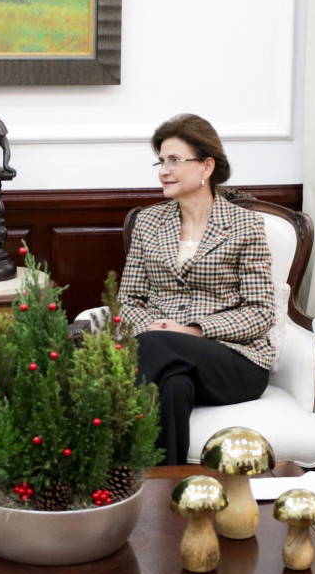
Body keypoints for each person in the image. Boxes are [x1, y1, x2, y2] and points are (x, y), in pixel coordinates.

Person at [117, 115, 276, 465]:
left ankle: (106, 467)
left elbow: (261, 313)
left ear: (206, 166)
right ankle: (166, 489)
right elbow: (128, 300)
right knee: (173, 386)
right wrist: (154, 328)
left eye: (175, 160)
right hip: (160, 349)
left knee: (153, 346)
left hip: (233, 361)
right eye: (161, 161)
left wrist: (191, 331)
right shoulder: (148, 222)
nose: (164, 171)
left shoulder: (245, 225)